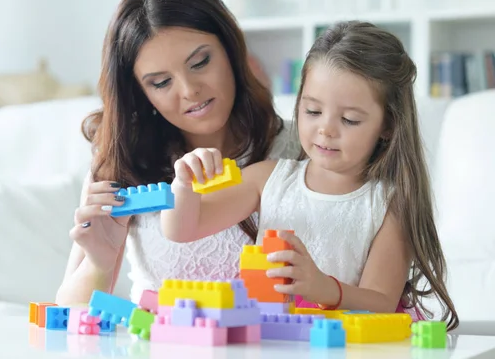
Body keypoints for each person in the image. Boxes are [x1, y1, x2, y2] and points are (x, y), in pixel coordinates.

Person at [160, 21, 459, 330]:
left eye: (349, 119)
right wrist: (184, 185)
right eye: (313, 111)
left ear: (388, 125)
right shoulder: (268, 179)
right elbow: (183, 229)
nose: (326, 129)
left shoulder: (388, 203)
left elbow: (381, 301)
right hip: (274, 337)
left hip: (348, 344)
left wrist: (322, 287)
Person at [55, 0, 300, 306]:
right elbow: (69, 314)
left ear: (230, 48)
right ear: (140, 94)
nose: (189, 91)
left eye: (200, 62)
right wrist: (100, 261)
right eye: (160, 82)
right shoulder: (123, 166)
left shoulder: (302, 148)